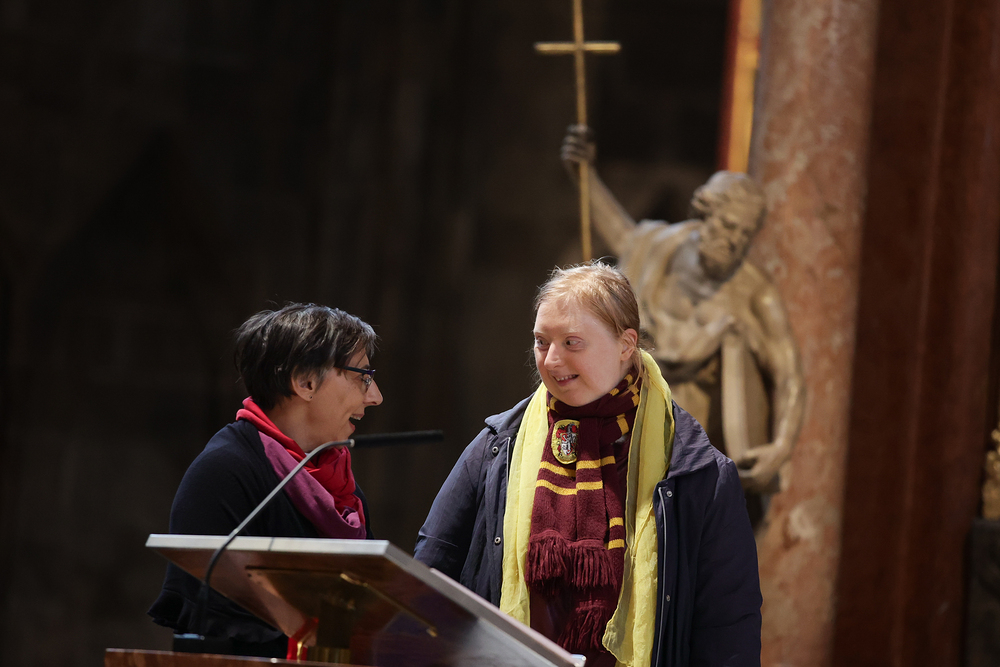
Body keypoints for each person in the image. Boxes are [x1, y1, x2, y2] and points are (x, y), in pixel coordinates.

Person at [414, 264, 761, 667]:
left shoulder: (696, 471)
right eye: (541, 342)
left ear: (626, 344)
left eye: (572, 342)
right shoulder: (498, 446)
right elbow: (429, 573)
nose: (551, 360)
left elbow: (727, 628)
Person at [560, 126, 803, 496]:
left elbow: (789, 374)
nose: (733, 241)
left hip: (692, 456)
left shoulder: (755, 294)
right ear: (705, 213)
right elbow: (621, 234)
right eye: (728, 227)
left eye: (744, 235)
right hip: (626, 427)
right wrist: (584, 175)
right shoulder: (660, 247)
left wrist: (781, 447)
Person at [149, 303, 383, 658]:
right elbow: (214, 619)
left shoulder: (341, 490)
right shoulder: (224, 473)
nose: (375, 395)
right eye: (361, 375)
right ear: (305, 382)